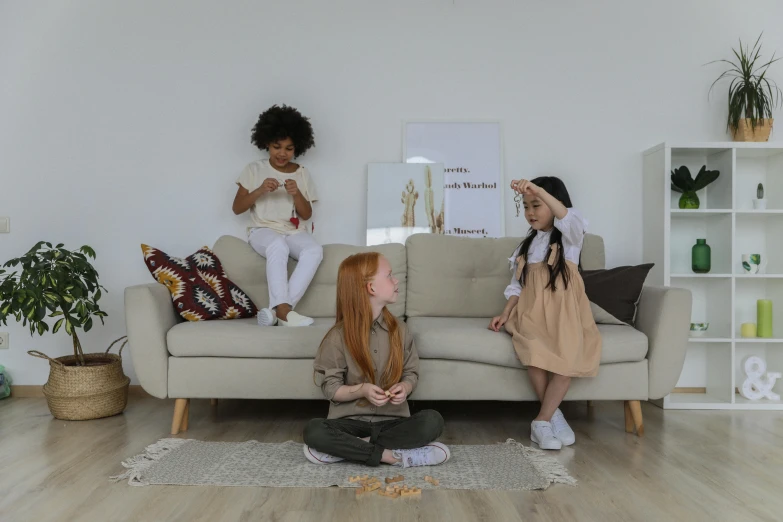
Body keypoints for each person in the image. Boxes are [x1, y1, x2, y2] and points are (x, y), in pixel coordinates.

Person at [303, 252, 450, 468]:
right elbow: (331, 389)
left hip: (393, 423)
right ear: (371, 288)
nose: (396, 280)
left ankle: (348, 449)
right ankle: (393, 456)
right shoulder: (337, 336)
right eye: (389, 275)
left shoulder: (400, 330)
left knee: (432, 421)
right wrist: (362, 390)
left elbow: (411, 373)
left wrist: (404, 386)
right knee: (313, 430)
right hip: (348, 422)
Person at [489, 176, 601, 450]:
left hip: (564, 313)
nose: (530, 213)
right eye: (526, 206)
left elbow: (568, 218)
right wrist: (505, 313)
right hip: (532, 312)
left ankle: (541, 418)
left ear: (555, 204)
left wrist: (538, 188)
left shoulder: (570, 238)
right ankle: (552, 418)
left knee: (564, 365)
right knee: (536, 359)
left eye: (537, 205)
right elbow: (516, 286)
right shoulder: (526, 247)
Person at [232, 104, 322, 327]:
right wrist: (260, 190)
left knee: (314, 250)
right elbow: (237, 208)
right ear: (266, 143)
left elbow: (307, 214)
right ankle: (284, 311)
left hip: (293, 230)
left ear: (297, 148)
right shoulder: (254, 169)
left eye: (289, 149)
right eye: (277, 146)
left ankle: (277, 313)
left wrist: (297, 194)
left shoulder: (302, 173)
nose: (282, 153)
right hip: (262, 230)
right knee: (277, 246)